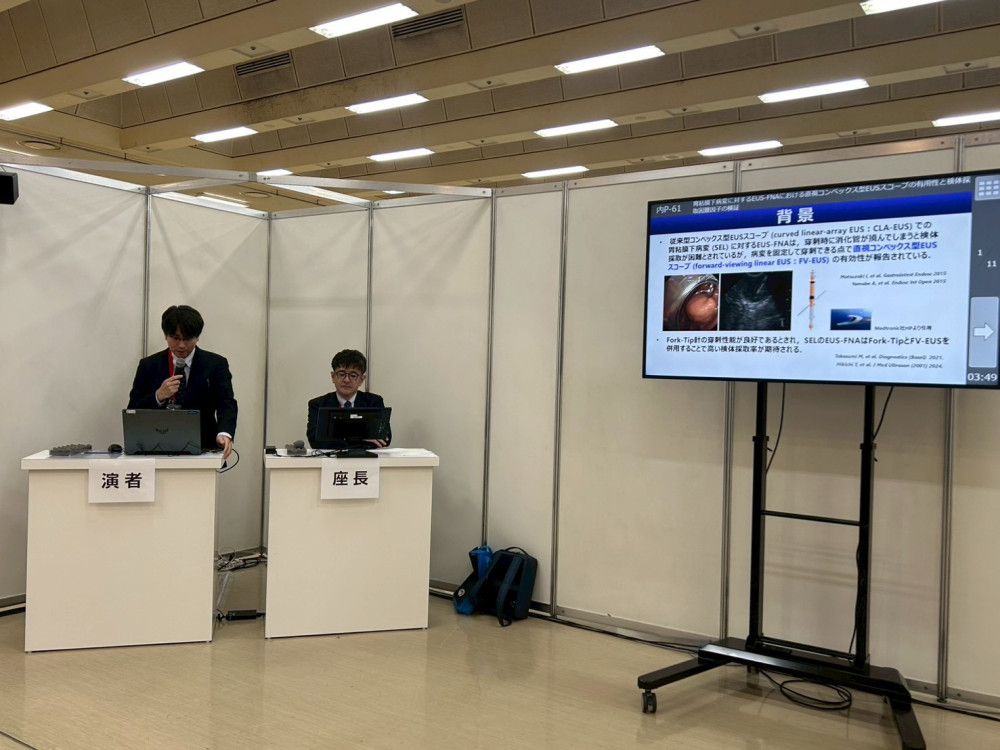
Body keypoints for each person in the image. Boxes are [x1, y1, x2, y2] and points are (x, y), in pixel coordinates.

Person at [127, 305, 237, 458]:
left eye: (188, 339)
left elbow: (226, 402)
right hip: (156, 447)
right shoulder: (149, 365)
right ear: (166, 336)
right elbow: (133, 409)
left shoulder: (216, 364)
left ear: (197, 337)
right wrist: (158, 396)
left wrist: (224, 433)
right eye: (176, 338)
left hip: (203, 447)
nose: (181, 345)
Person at [306, 349, 390, 449]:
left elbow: (385, 438)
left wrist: (339, 439)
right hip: (331, 458)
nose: (346, 380)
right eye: (341, 374)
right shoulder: (318, 404)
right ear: (333, 377)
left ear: (361, 380)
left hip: (365, 458)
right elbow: (315, 441)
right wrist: (361, 438)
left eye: (353, 375)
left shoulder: (374, 402)